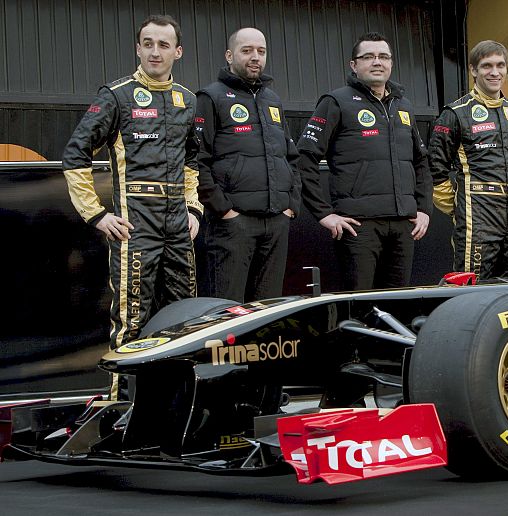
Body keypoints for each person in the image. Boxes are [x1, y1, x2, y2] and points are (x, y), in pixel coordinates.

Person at [63, 14, 201, 355]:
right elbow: (75, 153)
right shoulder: (116, 95)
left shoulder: (188, 100)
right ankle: (124, 398)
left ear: (177, 52)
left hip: (178, 225)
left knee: (187, 315)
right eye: (148, 44)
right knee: (131, 317)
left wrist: (193, 208)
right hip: (135, 225)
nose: (156, 52)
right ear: (138, 49)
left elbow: (191, 161)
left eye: (164, 45)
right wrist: (96, 215)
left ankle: (179, 399)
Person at [297, 32, 432, 291]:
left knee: (398, 305)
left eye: (383, 56)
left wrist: (424, 208)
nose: (377, 62)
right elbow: (304, 157)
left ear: (391, 63)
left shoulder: (403, 106)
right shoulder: (336, 102)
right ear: (354, 65)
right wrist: (324, 214)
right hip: (358, 227)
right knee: (359, 305)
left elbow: (421, 161)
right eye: (368, 57)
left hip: (404, 224)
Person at [195, 28, 300, 302]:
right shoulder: (210, 97)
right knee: (226, 313)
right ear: (229, 55)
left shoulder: (273, 100)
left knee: (267, 311)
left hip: (276, 222)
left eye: (261, 51)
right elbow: (197, 159)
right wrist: (224, 210)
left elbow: (290, 156)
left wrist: (291, 204)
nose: (255, 57)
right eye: (247, 51)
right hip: (233, 225)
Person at [428, 40, 508, 280]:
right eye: (487, 66)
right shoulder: (455, 113)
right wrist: (457, 207)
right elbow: (435, 166)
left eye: (500, 65)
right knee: (471, 284)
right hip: (478, 212)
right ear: (473, 70)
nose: (495, 72)